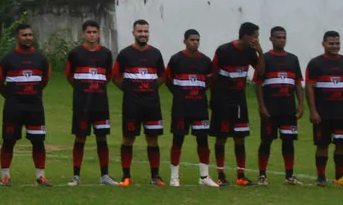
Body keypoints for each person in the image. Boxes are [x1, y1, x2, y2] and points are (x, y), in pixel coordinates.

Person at [0, 23, 52, 186]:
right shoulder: (8, 59)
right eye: (24, 35)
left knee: (38, 141)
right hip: (14, 107)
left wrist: (33, 93)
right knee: (9, 140)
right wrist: (10, 96)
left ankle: (41, 176)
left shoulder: (41, 58)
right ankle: (5, 176)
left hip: (35, 107)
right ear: (17, 38)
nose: (28, 38)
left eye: (30, 35)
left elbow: (45, 80)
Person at [210, 22, 264, 186]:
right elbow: (213, 76)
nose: (256, 39)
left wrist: (260, 53)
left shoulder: (250, 52)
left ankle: (241, 176)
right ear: (246, 36)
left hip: (239, 101)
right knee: (221, 138)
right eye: (255, 36)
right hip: (223, 100)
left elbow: (260, 72)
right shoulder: (224, 50)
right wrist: (213, 99)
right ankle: (221, 175)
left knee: (240, 138)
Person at [306, 31, 343, 186]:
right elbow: (309, 88)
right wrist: (313, 110)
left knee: (342, 144)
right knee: (322, 144)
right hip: (323, 113)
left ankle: (340, 177)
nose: (334, 46)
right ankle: (321, 177)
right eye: (331, 43)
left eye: (337, 43)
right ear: (323, 44)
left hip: (342, 113)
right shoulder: (315, 64)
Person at [113, 20, 165, 187]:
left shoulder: (155, 53)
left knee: (153, 139)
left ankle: (155, 176)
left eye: (145, 31)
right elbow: (116, 77)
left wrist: (148, 88)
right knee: (128, 139)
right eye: (140, 31)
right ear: (133, 33)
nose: (143, 34)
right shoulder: (125, 54)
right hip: (132, 104)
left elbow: (162, 76)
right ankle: (126, 176)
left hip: (152, 104)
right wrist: (130, 90)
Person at [65, 20, 116, 185]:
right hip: (82, 103)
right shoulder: (75, 53)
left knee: (102, 138)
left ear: (99, 33)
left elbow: (108, 76)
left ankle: (105, 176)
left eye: (95, 32)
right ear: (83, 34)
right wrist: (82, 88)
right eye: (89, 32)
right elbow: (69, 75)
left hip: (100, 103)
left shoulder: (106, 54)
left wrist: (96, 87)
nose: (92, 35)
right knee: (80, 138)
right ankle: (76, 176)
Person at [163, 29, 216, 187]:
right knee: (178, 140)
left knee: (203, 141)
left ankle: (204, 177)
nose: (195, 43)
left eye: (197, 40)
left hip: (200, 107)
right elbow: (167, 78)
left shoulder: (206, 61)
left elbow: (210, 81)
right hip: (181, 108)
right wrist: (178, 94)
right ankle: (174, 178)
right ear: (185, 41)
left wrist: (198, 92)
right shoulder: (177, 59)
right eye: (192, 40)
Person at [256, 26, 304, 185]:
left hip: (288, 108)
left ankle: (289, 175)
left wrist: (301, 104)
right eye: (278, 37)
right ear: (271, 39)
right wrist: (262, 106)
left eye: (284, 37)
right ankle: (262, 175)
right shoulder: (265, 59)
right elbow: (258, 83)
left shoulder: (293, 59)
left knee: (288, 140)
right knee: (267, 140)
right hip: (271, 108)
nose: (281, 40)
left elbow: (297, 82)